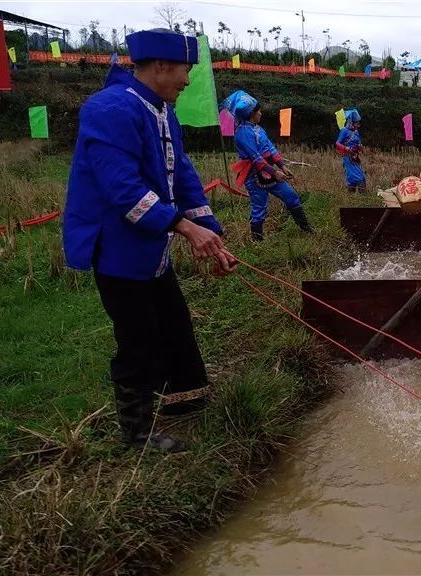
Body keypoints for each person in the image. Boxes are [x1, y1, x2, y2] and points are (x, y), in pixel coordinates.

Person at [63, 29, 236, 453]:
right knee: (138, 337)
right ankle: (137, 435)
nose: (188, 81)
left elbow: (184, 177)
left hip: (151, 244)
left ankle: (186, 400)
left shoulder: (162, 111)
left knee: (174, 322)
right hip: (119, 245)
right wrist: (183, 227)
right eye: (184, 71)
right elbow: (122, 189)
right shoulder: (109, 109)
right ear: (160, 66)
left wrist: (208, 230)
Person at [223, 90, 313, 241]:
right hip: (254, 176)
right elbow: (256, 158)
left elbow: (270, 148)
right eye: (259, 111)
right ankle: (257, 242)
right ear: (252, 113)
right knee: (259, 209)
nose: (261, 113)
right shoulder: (242, 134)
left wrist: (282, 166)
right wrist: (275, 172)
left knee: (291, 196)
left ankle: (306, 229)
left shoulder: (258, 129)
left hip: (269, 173)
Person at [336, 109, 367, 193]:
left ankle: (360, 196)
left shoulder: (356, 132)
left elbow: (359, 142)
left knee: (361, 175)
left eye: (358, 123)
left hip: (355, 157)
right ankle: (353, 194)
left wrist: (360, 147)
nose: (358, 125)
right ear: (351, 122)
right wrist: (346, 148)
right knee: (355, 176)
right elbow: (338, 143)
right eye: (356, 123)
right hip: (347, 157)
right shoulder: (344, 131)